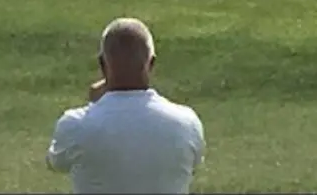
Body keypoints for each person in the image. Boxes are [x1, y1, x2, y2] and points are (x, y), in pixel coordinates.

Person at [44, 17, 206, 193]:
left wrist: (94, 104)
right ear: (151, 63)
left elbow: (55, 162)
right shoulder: (187, 123)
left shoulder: (75, 125)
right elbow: (194, 164)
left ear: (102, 64)